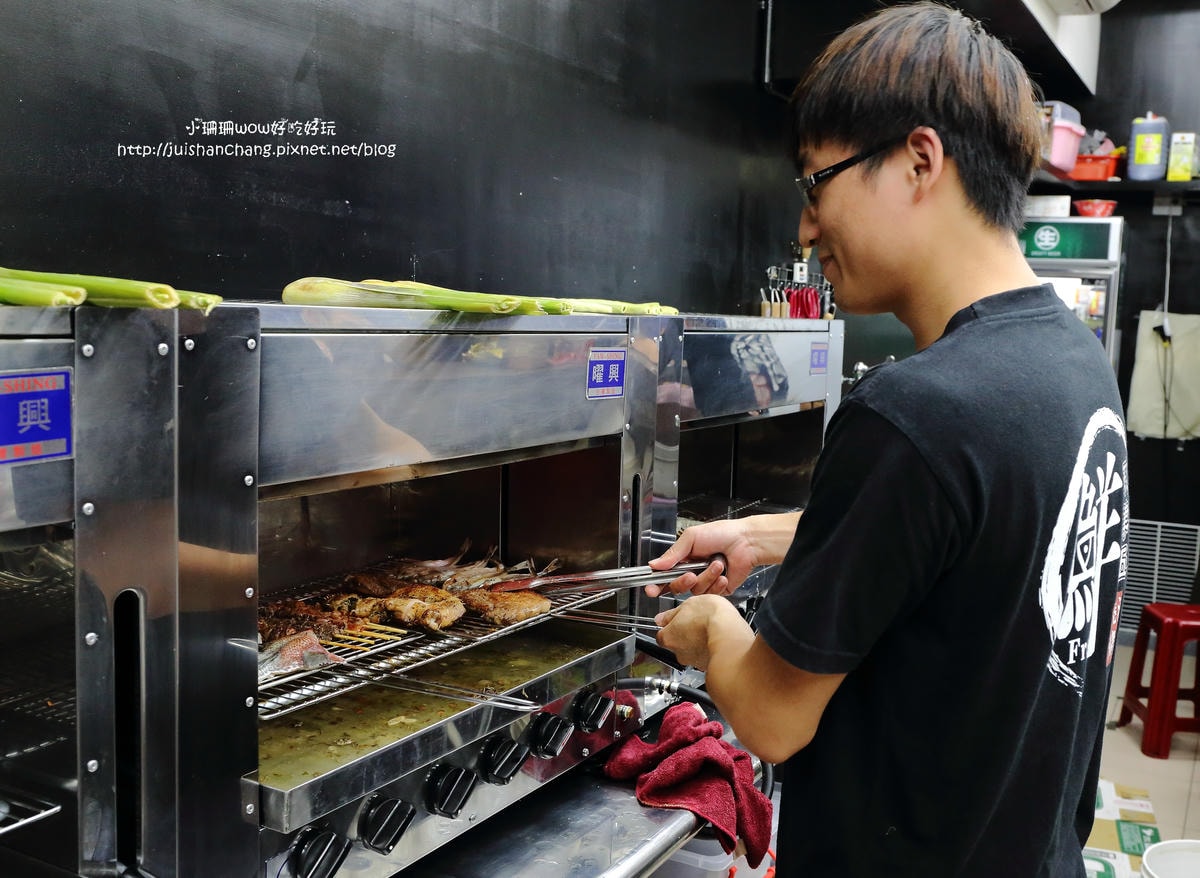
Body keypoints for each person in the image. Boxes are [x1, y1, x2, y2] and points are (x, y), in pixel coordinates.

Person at [645, 3, 1129, 875]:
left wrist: (712, 625)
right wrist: (765, 535)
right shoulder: (1068, 359)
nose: (805, 228)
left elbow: (771, 719)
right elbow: (982, 538)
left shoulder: (914, 411)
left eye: (815, 184)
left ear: (918, 161)